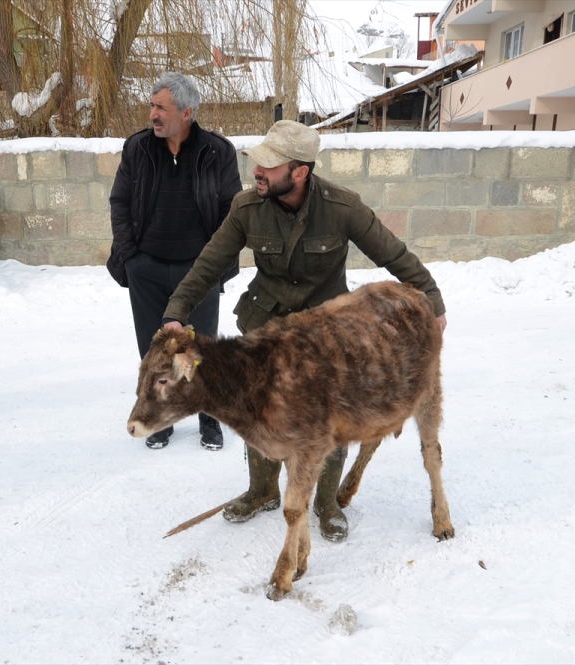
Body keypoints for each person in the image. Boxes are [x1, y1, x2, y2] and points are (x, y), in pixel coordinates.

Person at [161, 120, 447, 541]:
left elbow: (396, 255)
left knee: (328, 416)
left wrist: (434, 305)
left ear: (299, 172)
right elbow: (208, 264)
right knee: (258, 408)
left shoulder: (342, 207)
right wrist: (175, 311)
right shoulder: (246, 207)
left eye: (269, 166)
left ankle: (326, 502)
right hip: (268, 324)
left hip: (326, 333)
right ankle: (262, 491)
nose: (256, 171)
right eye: (257, 162)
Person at [107, 72, 242, 451]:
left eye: (160, 107)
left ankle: (209, 419)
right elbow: (119, 201)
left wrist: (216, 266)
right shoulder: (137, 148)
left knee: (200, 350)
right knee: (154, 354)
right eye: (151, 106)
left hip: (198, 272)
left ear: (186, 113)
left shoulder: (217, 151)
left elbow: (232, 213)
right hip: (146, 268)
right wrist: (130, 256)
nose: (152, 114)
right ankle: (159, 420)